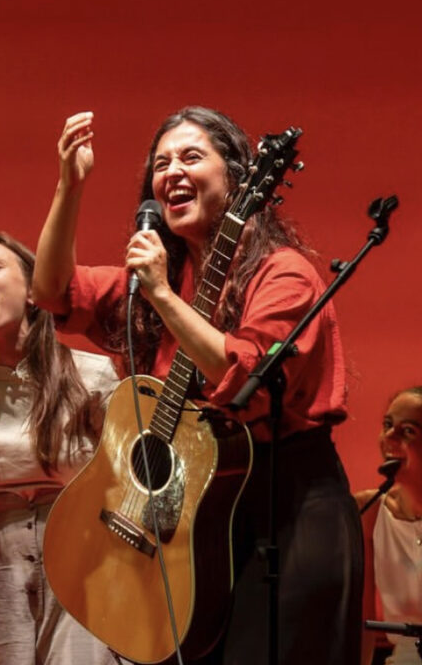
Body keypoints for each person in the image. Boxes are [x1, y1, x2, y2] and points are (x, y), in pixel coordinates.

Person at [32, 107, 361, 664]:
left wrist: (161, 293)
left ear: (236, 175)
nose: (172, 173)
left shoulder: (285, 273)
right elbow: (51, 290)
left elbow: (246, 379)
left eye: (191, 156)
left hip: (288, 508)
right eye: (161, 164)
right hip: (193, 522)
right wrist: (70, 185)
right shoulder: (163, 276)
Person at [0, 232, 120, 665]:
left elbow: (124, 485)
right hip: (2, 568)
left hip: (83, 558)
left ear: (34, 293)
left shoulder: (92, 377)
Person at [357, 387, 422, 665]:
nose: (389, 437)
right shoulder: (368, 511)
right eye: (387, 425)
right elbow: (363, 622)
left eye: (407, 430)